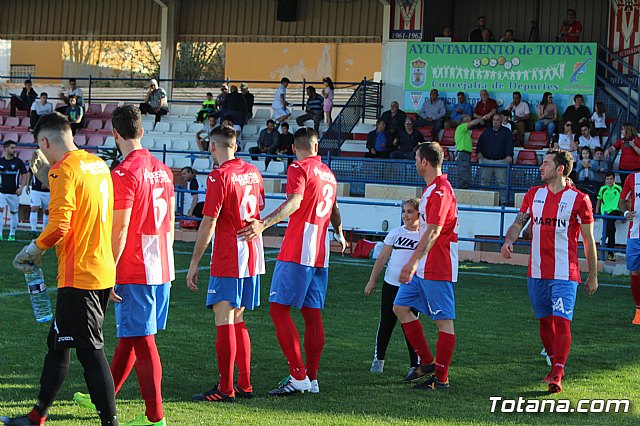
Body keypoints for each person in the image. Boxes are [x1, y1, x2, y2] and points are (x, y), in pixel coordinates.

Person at [8, 112, 118, 425]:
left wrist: (31, 251)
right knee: (58, 345)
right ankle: (36, 416)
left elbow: (60, 225)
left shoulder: (63, 170)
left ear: (44, 141)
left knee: (90, 353)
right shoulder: (98, 165)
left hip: (79, 275)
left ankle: (111, 423)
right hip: (99, 269)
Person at [74, 105, 175, 426]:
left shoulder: (123, 173)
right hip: (162, 264)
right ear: (142, 131)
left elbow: (119, 228)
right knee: (133, 336)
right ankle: (103, 398)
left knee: (143, 341)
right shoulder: (164, 169)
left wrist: (111, 270)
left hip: (136, 266)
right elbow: (170, 220)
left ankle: (155, 417)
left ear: (114, 134)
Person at [237, 127, 346, 396]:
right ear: (316, 146)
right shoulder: (329, 175)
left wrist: (264, 223)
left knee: (278, 309)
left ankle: (298, 376)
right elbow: (334, 209)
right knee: (312, 315)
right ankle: (312, 377)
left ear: (295, 148)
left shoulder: (300, 168)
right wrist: (340, 233)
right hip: (320, 254)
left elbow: (295, 201)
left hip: (298, 250)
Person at [501, 148, 598, 393]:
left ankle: (557, 372)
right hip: (536, 272)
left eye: (545, 163)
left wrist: (593, 275)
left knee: (561, 322)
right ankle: (554, 360)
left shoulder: (579, 199)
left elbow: (588, 241)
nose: (540, 167)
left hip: (566, 273)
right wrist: (509, 240)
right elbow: (518, 222)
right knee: (545, 324)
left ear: (560, 169)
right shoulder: (534, 194)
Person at [187, 125, 265, 402]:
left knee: (223, 319)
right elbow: (259, 208)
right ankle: (244, 383)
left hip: (230, 255)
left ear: (212, 146)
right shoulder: (253, 172)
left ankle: (226, 388)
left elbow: (208, 221)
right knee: (238, 318)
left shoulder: (219, 176)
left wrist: (195, 262)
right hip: (252, 254)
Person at [392, 142, 458, 391]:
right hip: (424, 267)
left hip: (437, 266)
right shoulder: (431, 190)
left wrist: (411, 262)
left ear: (425, 162)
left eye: (416, 157)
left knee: (444, 323)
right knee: (400, 307)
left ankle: (441, 378)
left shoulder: (441, 191)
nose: (414, 161)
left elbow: (433, 232)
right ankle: (428, 362)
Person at [364, 198, 420, 375]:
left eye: (410, 211)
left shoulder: (424, 236)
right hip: (391, 285)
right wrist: (372, 280)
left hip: (411, 288)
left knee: (410, 325)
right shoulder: (396, 233)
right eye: (404, 211)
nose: (405, 215)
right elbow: (382, 259)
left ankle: (415, 364)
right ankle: (378, 359)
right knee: (386, 323)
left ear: (420, 214)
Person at [476, 114, 514, 204]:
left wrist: (509, 155)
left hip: (501, 161)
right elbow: (479, 143)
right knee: (484, 182)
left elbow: (510, 145)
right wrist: (479, 153)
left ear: (501, 122)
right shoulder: (487, 131)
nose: (495, 122)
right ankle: (483, 201)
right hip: (486, 160)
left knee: (502, 183)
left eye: (497, 120)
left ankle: (504, 202)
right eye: (494, 120)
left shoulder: (507, 132)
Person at [0, 140, 28, 241]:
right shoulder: (1, 161)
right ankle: (0, 234)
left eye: (15, 148)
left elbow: (25, 175)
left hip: (14, 193)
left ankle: (12, 234)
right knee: (0, 211)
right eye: (12, 148)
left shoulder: (18, 162)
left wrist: (21, 188)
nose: (14, 150)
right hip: (2, 192)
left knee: (14, 212)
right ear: (6, 148)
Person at [597, 172, 622, 261]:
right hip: (605, 212)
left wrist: (623, 213)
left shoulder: (619, 188)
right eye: (608, 179)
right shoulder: (603, 189)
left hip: (616, 211)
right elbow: (599, 200)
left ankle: (603, 237)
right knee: (612, 231)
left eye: (611, 179)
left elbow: (622, 201)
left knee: (610, 224)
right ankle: (610, 255)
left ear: (614, 179)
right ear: (605, 180)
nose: (609, 181)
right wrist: (597, 212)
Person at [27, 149, 50, 239]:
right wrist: (28, 185)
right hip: (36, 189)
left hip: (48, 190)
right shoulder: (35, 162)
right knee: (34, 208)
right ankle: (33, 230)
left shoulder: (51, 160)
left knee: (46, 210)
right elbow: (30, 172)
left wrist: (47, 183)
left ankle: (44, 231)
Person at [455, 115, 482, 189]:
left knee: (465, 171)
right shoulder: (461, 127)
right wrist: (481, 118)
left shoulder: (463, 130)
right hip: (463, 153)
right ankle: (462, 188)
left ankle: (463, 187)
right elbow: (472, 123)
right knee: (463, 171)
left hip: (464, 154)